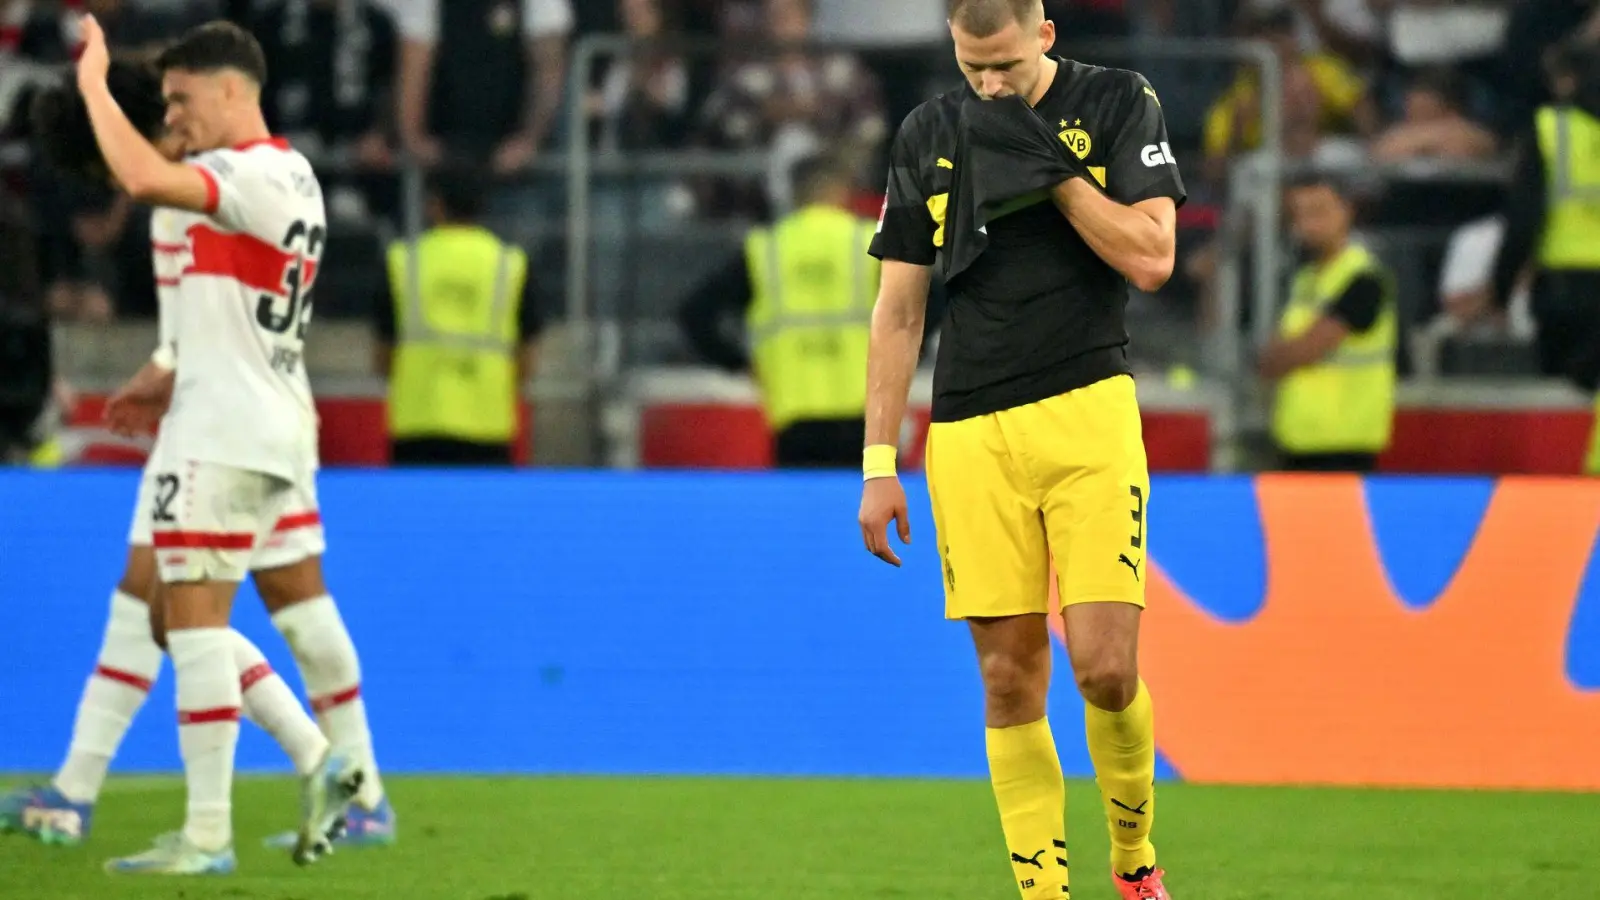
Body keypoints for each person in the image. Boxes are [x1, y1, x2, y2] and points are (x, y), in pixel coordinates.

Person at [0, 55, 396, 859]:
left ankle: (286, 790)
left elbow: (150, 188)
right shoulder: (258, 179)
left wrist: (92, 91)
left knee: (191, 611)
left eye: (181, 106)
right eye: (168, 107)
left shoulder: (217, 184)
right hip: (254, 415)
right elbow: (197, 320)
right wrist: (165, 366)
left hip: (222, 425)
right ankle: (79, 790)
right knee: (194, 602)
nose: (175, 121)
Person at [856, 1, 1183, 898]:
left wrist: (1058, 175)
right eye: (974, 69)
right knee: (1008, 681)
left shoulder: (1118, 101)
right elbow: (898, 310)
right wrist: (879, 465)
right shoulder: (929, 132)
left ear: (1044, 36)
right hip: (969, 431)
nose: (990, 86)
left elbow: (1153, 257)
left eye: (1004, 65)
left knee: (1107, 670)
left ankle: (1133, 858)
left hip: (1087, 412)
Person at [676, 154, 881, 467]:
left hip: (793, 418)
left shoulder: (765, 249)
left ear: (794, 194)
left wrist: (738, 363)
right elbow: (934, 299)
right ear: (842, 191)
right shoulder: (869, 242)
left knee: (802, 512)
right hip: (865, 417)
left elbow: (695, 314)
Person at [374, 167, 542, 466]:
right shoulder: (510, 264)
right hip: (489, 428)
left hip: (416, 426)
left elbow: (382, 356)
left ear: (434, 204)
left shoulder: (402, 261)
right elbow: (528, 357)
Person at [1490, 40, 1600, 472]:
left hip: (1566, 293)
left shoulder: (1551, 128)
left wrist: (1502, 288)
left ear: (1566, 79)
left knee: (1564, 409)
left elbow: (1524, 217)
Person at [1257, 173, 1398, 472]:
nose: (1309, 225)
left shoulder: (1363, 279)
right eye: (1301, 215)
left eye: (1319, 212)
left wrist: (1279, 356)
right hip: (1298, 439)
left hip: (1344, 445)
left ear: (1347, 211)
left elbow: (1304, 349)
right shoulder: (1306, 279)